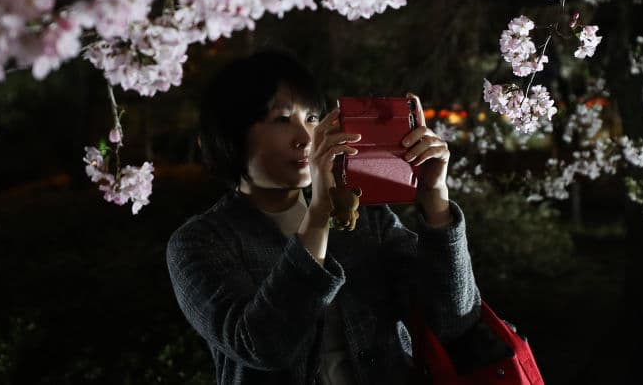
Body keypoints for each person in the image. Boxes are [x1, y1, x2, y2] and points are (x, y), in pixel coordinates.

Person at [167, 50, 481, 385]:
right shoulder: (200, 242)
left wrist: (435, 198)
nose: (305, 138)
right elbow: (262, 346)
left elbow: (451, 320)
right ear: (231, 134)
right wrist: (318, 214)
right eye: (282, 119)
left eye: (313, 117)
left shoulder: (366, 217)